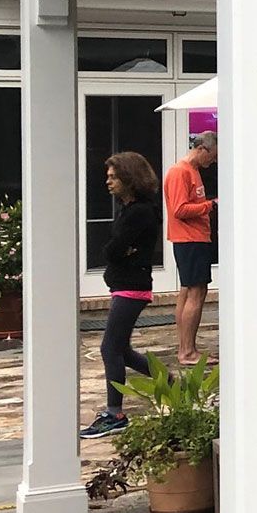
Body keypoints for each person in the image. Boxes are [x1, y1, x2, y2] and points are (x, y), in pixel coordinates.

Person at [80, 152, 160, 439]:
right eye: (108, 176)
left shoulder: (141, 211)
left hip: (132, 287)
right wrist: (118, 251)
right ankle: (172, 384)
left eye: (114, 177)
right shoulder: (127, 209)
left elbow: (113, 250)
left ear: (129, 177)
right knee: (122, 350)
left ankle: (115, 414)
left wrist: (118, 252)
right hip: (123, 285)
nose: (108, 181)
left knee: (109, 349)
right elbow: (115, 249)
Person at [165, 130, 218, 366]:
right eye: (213, 156)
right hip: (189, 239)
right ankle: (187, 351)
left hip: (196, 238)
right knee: (195, 292)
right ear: (202, 148)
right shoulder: (180, 172)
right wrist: (210, 206)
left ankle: (187, 347)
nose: (213, 161)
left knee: (190, 291)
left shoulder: (194, 171)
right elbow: (179, 209)